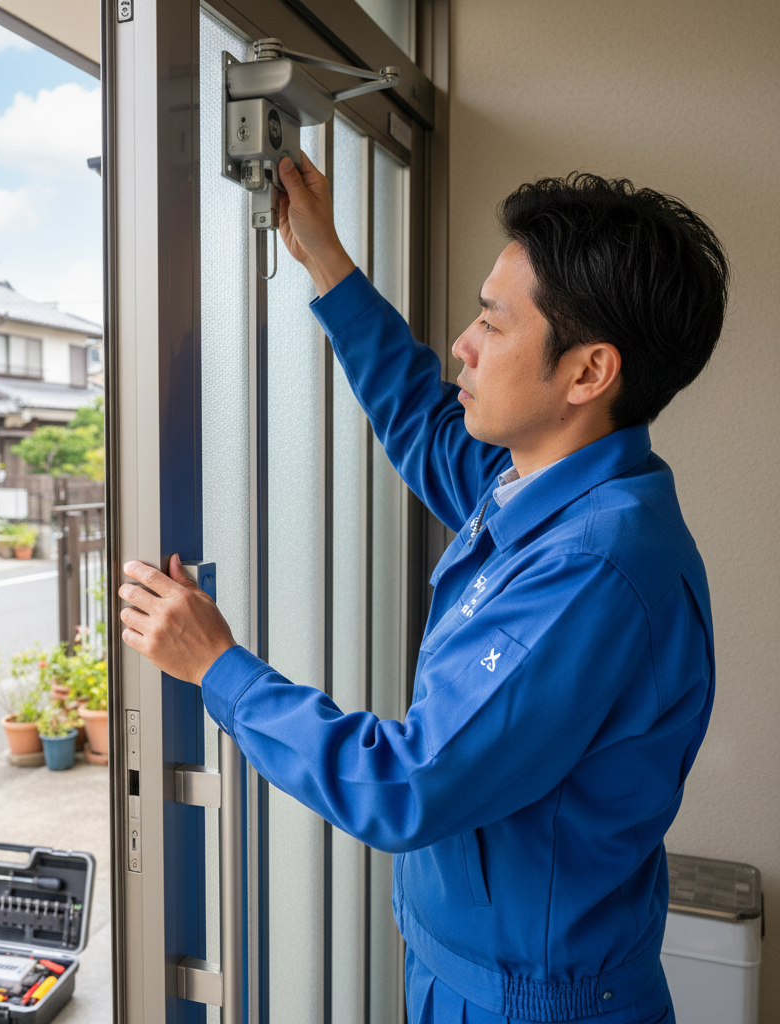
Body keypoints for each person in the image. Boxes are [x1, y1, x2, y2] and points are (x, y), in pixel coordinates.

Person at [117, 159, 728, 1023]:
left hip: (531, 1003)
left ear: (588, 373)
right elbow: (423, 420)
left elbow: (408, 785)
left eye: (491, 322)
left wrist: (219, 668)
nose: (464, 346)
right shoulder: (543, 482)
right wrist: (326, 261)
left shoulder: (590, 567)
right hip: (478, 969)